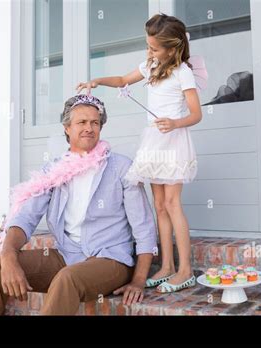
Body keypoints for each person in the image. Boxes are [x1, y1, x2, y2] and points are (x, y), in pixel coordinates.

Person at [0, 94, 158, 315]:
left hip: (111, 258)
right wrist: (8, 254)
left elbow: (144, 227)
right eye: (81, 122)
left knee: (67, 278)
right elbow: (26, 217)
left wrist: (139, 279)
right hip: (68, 254)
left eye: (95, 122)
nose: (89, 128)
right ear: (67, 127)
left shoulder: (122, 167)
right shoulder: (53, 170)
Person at [76, 14, 202, 293]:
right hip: (153, 141)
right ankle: (167, 265)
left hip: (173, 140)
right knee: (158, 204)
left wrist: (174, 122)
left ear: (173, 48)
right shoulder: (151, 66)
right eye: (148, 46)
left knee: (172, 203)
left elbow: (196, 114)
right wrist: (96, 80)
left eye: (154, 48)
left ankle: (185, 270)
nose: (149, 52)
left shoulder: (183, 72)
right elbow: (122, 79)